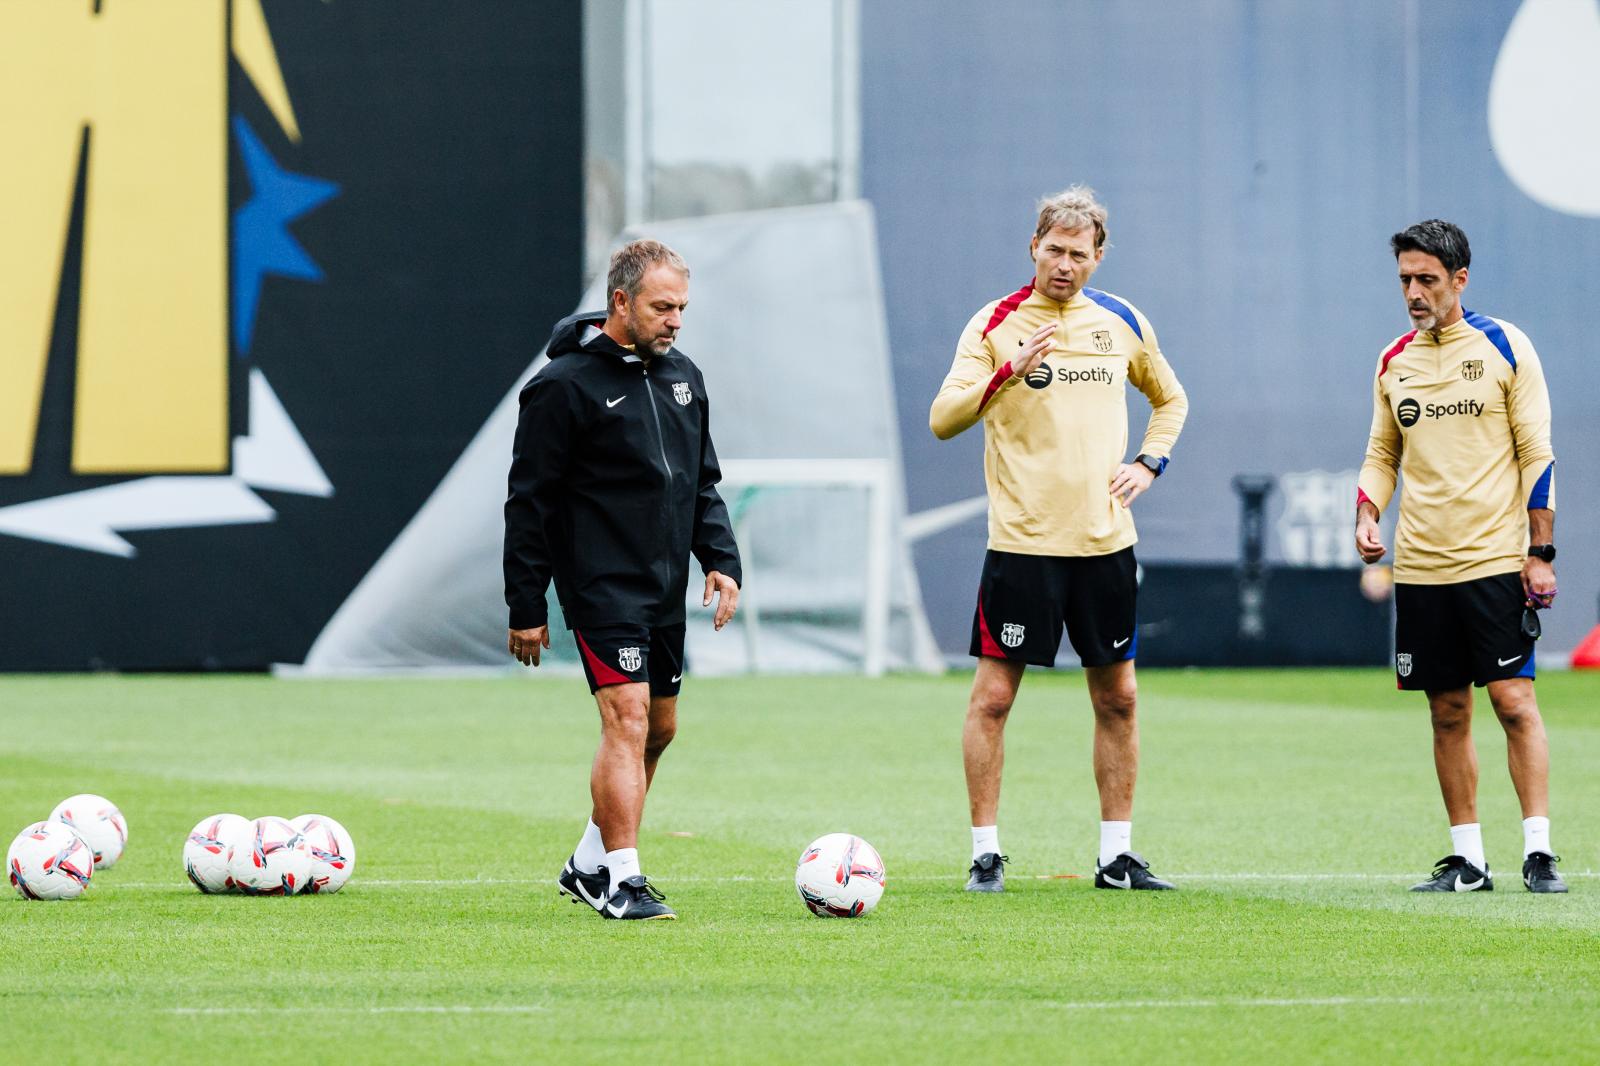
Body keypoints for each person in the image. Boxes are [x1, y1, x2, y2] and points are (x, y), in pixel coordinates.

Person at [929, 186, 1188, 892]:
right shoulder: (996, 323)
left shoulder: (1122, 321)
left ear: (1099, 257)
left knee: (1120, 700)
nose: (1064, 264)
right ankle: (986, 850)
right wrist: (1007, 374)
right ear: (1032, 247)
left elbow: (1170, 399)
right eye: (1054, 250)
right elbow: (943, 418)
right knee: (992, 700)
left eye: (1079, 253)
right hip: (1022, 545)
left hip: (1104, 544)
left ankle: (1117, 856)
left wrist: (1148, 461)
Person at [504, 239, 742, 920]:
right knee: (627, 718)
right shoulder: (561, 388)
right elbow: (530, 503)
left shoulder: (684, 377)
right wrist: (527, 602)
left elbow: (701, 483)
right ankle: (624, 882)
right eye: (662, 307)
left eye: (682, 308)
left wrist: (720, 558)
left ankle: (587, 862)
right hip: (602, 586)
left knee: (659, 729)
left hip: (664, 589)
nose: (675, 320)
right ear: (620, 302)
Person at [1356, 219, 1563, 893]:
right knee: (1446, 710)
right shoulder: (1394, 361)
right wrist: (1366, 512)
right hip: (1420, 567)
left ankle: (1539, 850)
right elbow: (1383, 454)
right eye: (1405, 281)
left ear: (1459, 280)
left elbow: (1537, 453)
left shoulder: (1505, 346)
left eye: (1427, 280)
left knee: (1512, 700)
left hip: (1496, 561)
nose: (1414, 293)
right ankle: (1469, 859)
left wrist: (1541, 551)